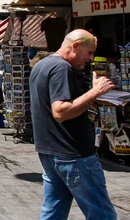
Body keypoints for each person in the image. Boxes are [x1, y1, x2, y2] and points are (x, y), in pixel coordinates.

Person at [29, 29, 117, 219]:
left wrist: (90, 93)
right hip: (73, 154)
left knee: (54, 210)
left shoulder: (42, 65)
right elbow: (60, 111)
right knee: (102, 213)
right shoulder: (61, 68)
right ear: (75, 46)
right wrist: (95, 93)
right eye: (90, 52)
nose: (91, 59)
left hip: (51, 151)